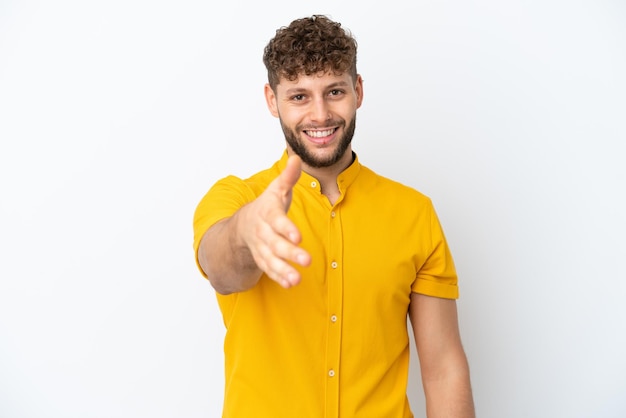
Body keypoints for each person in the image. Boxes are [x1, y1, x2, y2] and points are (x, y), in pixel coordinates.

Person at [193, 15, 475, 418]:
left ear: (358, 91)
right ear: (272, 101)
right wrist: (245, 232)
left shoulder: (415, 213)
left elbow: (444, 369)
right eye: (299, 96)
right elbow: (222, 271)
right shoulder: (236, 198)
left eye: (334, 91)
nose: (321, 115)